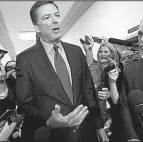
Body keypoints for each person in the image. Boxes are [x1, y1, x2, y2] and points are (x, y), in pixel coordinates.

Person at [16, 1, 107, 142]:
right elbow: (24, 104)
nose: (55, 20)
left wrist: (99, 126)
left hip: (85, 133)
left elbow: (89, 92)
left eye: (57, 15)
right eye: (47, 17)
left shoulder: (76, 51)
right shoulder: (25, 59)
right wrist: (49, 121)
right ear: (36, 27)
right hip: (52, 136)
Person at [81, 38, 125, 141]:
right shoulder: (97, 68)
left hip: (113, 112)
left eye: (106, 52)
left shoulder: (116, 70)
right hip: (97, 111)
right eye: (100, 51)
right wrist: (89, 50)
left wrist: (110, 94)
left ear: (112, 54)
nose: (102, 54)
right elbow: (90, 67)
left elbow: (122, 91)